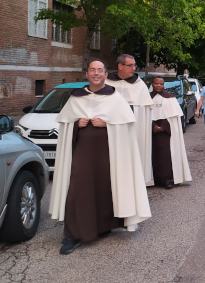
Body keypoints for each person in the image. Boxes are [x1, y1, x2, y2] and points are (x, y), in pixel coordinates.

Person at [50, 61, 151, 255]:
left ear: (106, 74)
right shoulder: (76, 99)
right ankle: (73, 234)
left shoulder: (116, 99)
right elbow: (64, 129)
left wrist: (107, 124)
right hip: (82, 154)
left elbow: (128, 128)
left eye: (100, 70)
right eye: (92, 70)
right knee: (78, 189)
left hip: (108, 154)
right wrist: (76, 124)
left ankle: (102, 226)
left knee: (105, 188)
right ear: (86, 74)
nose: (96, 73)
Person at [105, 54, 154, 185]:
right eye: (130, 65)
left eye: (134, 65)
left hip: (132, 128)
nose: (134, 68)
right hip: (110, 128)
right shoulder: (107, 82)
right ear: (120, 66)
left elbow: (144, 111)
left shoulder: (139, 85)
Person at [150, 77, 192, 189]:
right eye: (156, 83)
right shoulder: (146, 98)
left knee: (166, 155)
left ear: (164, 85)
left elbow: (174, 118)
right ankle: (152, 179)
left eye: (161, 84)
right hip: (150, 132)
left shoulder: (170, 98)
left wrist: (163, 127)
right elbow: (143, 116)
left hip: (165, 132)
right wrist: (153, 126)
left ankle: (167, 179)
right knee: (151, 154)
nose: (159, 85)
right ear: (152, 84)